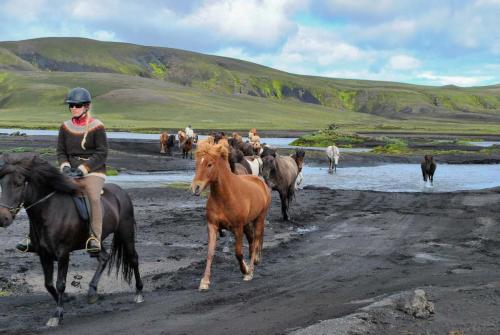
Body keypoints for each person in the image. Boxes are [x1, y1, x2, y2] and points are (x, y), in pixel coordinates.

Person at [16, 87, 108, 255]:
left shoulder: (97, 126)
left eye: (77, 105)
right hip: (70, 170)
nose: (73, 108)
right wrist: (65, 166)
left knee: (93, 197)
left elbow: (102, 153)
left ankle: (95, 238)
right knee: (43, 192)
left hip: (93, 171)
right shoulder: (64, 127)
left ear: (86, 106)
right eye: (71, 105)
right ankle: (32, 237)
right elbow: (60, 151)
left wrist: (83, 168)